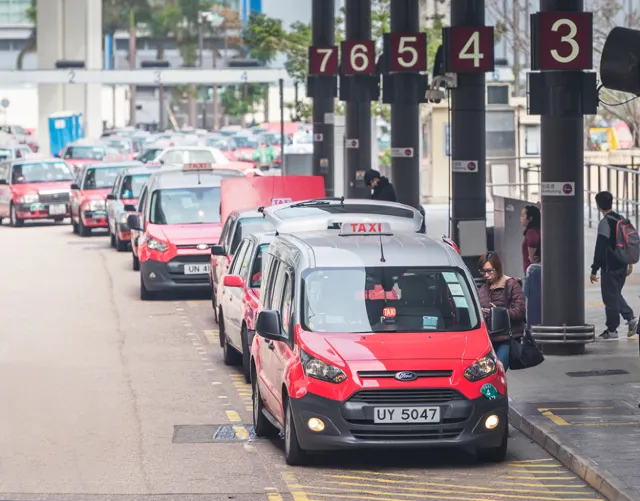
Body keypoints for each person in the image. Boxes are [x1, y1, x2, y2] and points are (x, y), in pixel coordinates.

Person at [590, 191, 637, 340]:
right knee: (615, 295)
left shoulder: (605, 223)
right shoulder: (621, 219)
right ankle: (631, 320)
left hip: (610, 267)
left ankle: (612, 330)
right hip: (622, 265)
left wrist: (594, 268)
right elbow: (627, 243)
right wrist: (629, 262)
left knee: (610, 298)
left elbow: (600, 247)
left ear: (598, 205)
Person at [478, 252, 526, 371]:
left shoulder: (511, 285)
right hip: (488, 339)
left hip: (506, 337)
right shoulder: (483, 289)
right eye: (483, 271)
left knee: (498, 371)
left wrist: (499, 312)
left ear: (498, 268)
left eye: (490, 271)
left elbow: (519, 311)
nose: (486, 275)